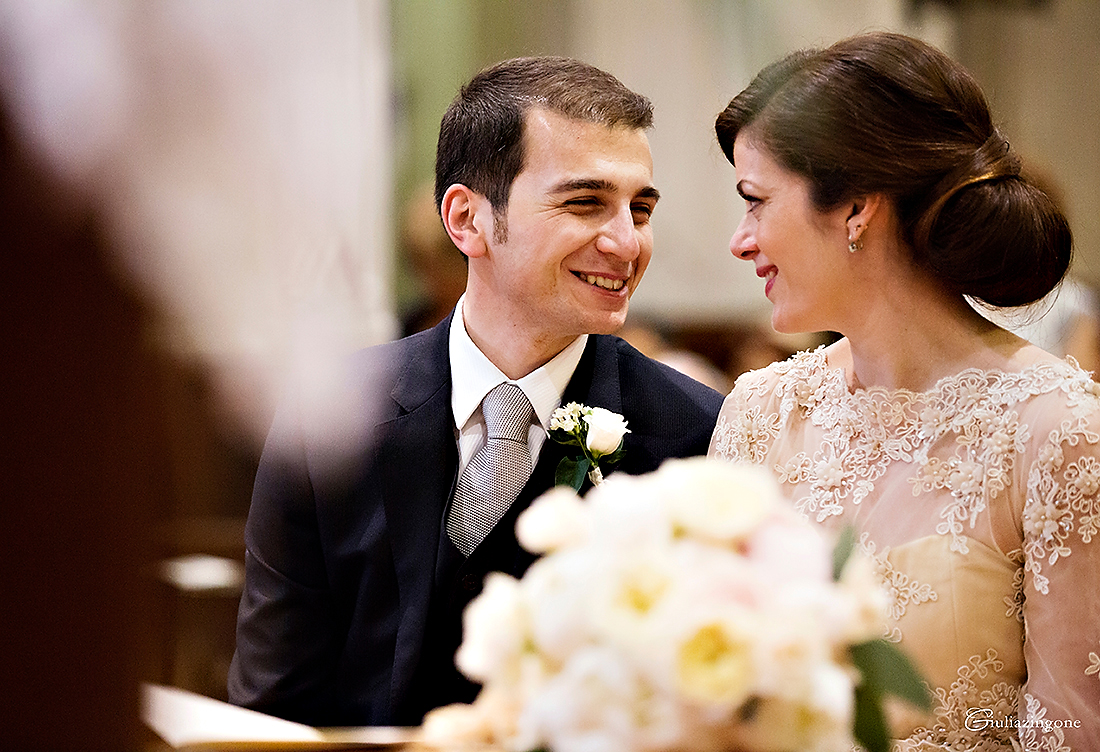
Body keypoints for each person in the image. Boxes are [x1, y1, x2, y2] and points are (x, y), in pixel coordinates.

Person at [229, 56, 724, 728]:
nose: (626, 241)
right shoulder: (328, 420)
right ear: (466, 220)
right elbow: (272, 710)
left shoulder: (697, 438)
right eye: (585, 202)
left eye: (640, 208)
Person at [708, 32, 1099, 749]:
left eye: (756, 201)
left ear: (856, 206)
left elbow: (1071, 731)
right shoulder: (758, 415)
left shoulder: (1058, 431)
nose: (741, 239)